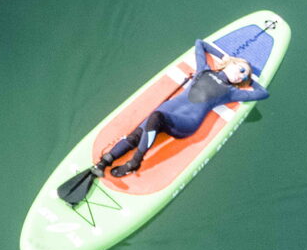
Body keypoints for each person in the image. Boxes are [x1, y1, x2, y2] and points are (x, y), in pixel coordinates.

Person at [95, 40, 269, 177]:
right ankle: (104, 163)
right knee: (135, 136)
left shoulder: (231, 92)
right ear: (230, 63)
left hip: (186, 123)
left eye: (244, 75)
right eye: (240, 69)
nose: (241, 75)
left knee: (156, 117)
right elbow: (200, 43)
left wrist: (250, 81)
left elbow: (263, 93)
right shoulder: (204, 71)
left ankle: (135, 162)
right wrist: (225, 57)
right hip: (168, 111)